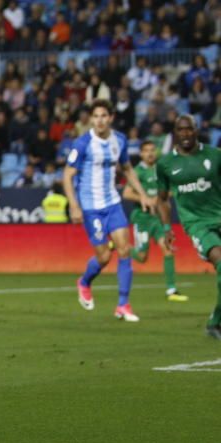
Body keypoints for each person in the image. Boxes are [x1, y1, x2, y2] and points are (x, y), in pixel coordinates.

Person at [66, 99, 155, 322]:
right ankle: (84, 282)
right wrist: (74, 205)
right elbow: (67, 175)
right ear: (91, 119)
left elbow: (126, 168)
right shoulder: (83, 143)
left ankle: (123, 304)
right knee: (104, 256)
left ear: (111, 118)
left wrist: (142, 194)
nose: (99, 120)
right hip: (90, 206)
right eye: (96, 116)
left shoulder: (120, 140)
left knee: (124, 250)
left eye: (104, 116)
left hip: (112, 203)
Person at [155, 116, 221, 340]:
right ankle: (215, 324)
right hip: (198, 225)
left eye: (189, 129)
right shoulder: (165, 164)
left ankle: (216, 320)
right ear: (175, 132)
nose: (185, 134)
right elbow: (162, 200)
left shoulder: (215, 155)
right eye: (180, 130)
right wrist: (166, 228)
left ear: (196, 130)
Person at [124, 140, 187, 302]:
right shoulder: (137, 171)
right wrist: (145, 199)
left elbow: (171, 190)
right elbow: (127, 194)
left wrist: (160, 199)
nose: (150, 153)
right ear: (141, 154)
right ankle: (118, 245)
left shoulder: (161, 169)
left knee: (167, 250)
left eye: (152, 150)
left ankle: (171, 290)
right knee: (142, 257)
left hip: (158, 219)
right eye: (146, 151)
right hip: (142, 218)